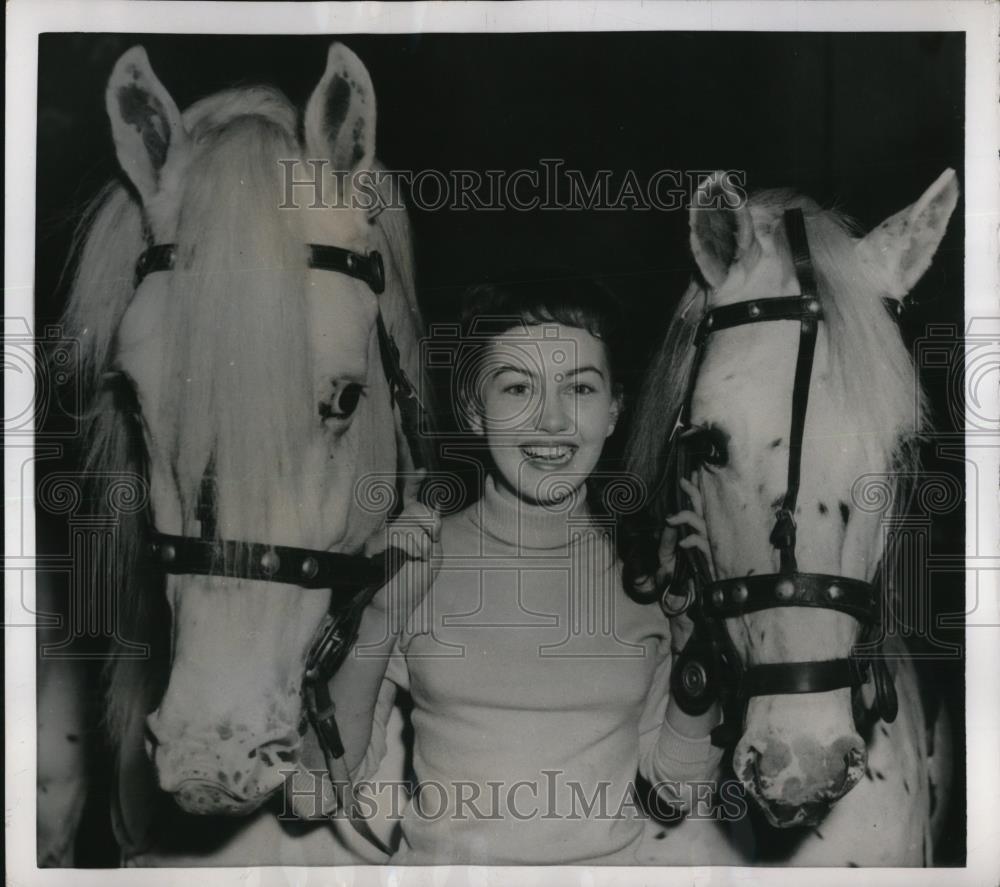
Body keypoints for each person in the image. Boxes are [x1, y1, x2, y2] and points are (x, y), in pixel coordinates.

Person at [324, 273, 722, 865]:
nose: (553, 422)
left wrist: (695, 638)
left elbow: (677, 791)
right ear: (474, 410)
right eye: (516, 389)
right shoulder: (415, 557)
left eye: (580, 389)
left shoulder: (646, 576)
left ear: (614, 411)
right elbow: (317, 792)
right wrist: (382, 613)